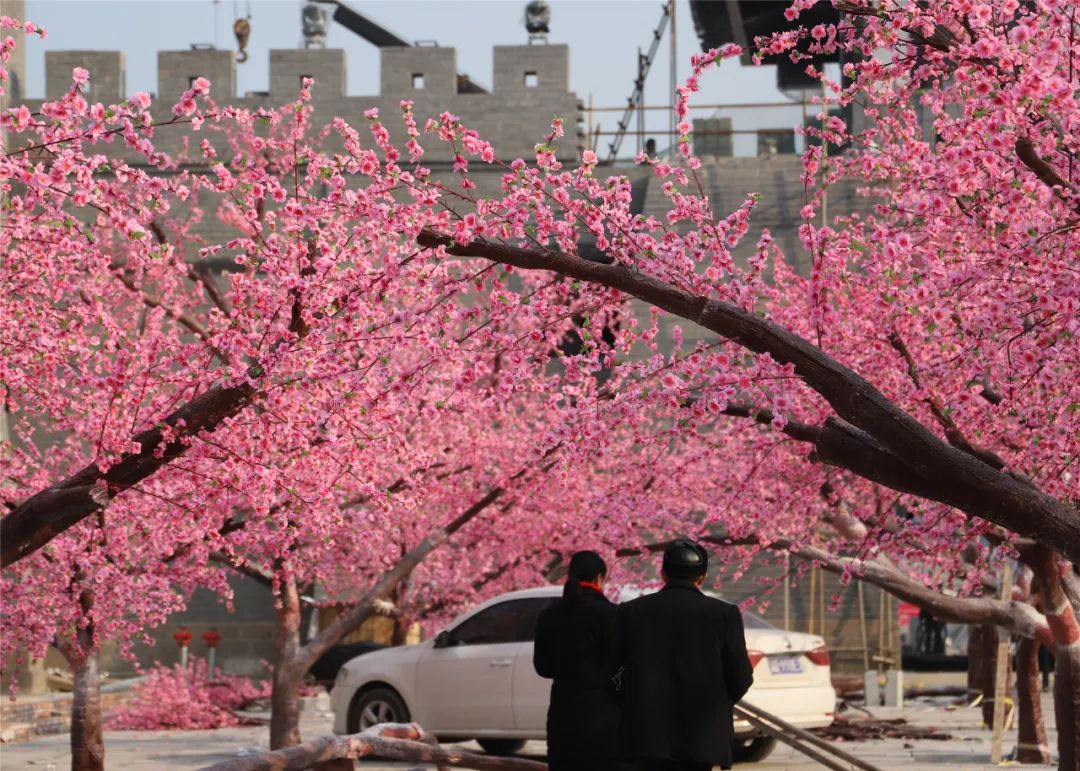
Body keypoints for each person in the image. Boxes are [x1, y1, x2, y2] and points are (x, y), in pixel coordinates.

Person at [615, 540, 754, 771]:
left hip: (646, 733)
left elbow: (613, 671)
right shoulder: (724, 614)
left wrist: (634, 700)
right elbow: (741, 676)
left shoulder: (631, 612)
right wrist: (717, 702)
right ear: (702, 577)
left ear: (663, 574)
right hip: (702, 734)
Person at [534, 550, 623, 771]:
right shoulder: (612, 615)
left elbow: (543, 667)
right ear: (600, 578)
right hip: (603, 714)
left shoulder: (549, 615)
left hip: (562, 712)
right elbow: (623, 665)